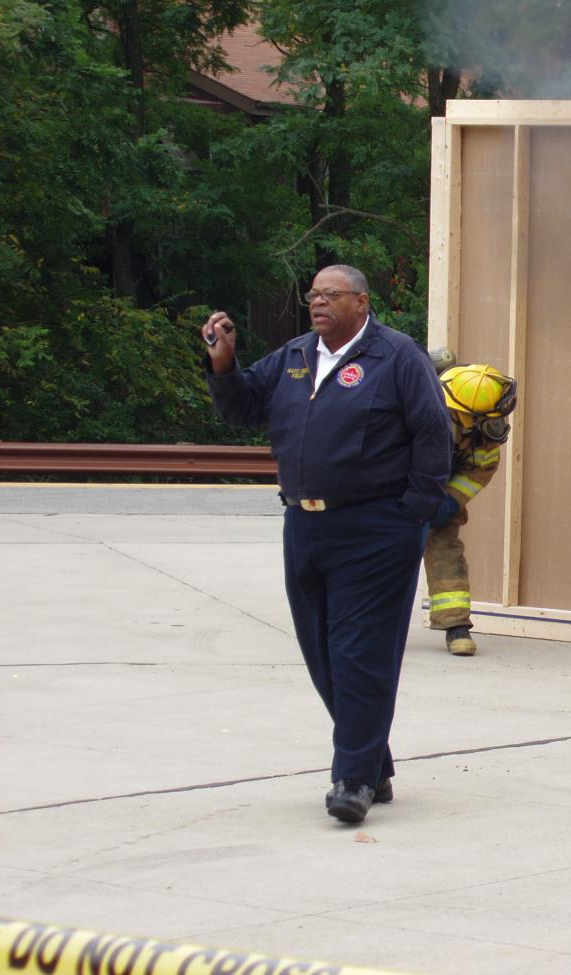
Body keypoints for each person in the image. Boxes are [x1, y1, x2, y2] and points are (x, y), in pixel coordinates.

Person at [201, 264, 452, 825]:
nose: (318, 303)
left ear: (361, 302)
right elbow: (243, 407)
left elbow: (435, 434)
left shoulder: (397, 356)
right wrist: (223, 362)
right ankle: (374, 761)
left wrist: (412, 512)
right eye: (313, 295)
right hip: (306, 525)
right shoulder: (295, 356)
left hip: (376, 530)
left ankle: (353, 780)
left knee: (359, 654)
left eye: (330, 295)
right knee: (321, 653)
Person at [423, 351, 517, 656]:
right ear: (464, 416)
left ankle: (457, 627)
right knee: (378, 556)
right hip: (395, 491)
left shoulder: (480, 416)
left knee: (446, 551)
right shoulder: (417, 415)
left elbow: (481, 467)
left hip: (441, 491)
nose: (498, 424)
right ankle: (362, 625)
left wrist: (451, 501)